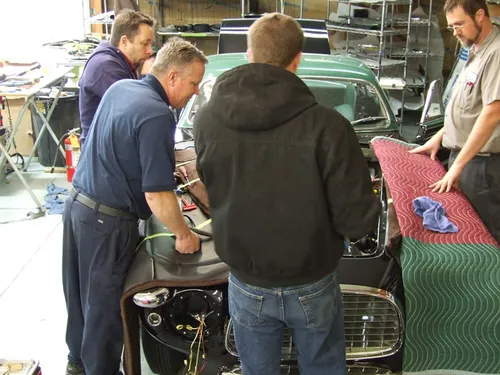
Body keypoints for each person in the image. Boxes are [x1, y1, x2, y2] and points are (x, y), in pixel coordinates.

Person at [194, 13, 381, 375]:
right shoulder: (330, 126)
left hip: (246, 280)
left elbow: (208, 183)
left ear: (248, 54)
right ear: (297, 59)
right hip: (312, 279)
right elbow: (355, 220)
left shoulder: (207, 118)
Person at [62, 37, 207, 375]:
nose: (196, 91)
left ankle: (77, 364)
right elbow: (157, 196)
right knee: (106, 312)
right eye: (193, 82)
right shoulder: (157, 115)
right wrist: (183, 235)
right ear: (172, 77)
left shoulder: (122, 89)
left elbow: (119, 147)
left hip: (77, 208)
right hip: (108, 224)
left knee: (80, 301)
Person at [410, 0, 500, 244]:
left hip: (482, 166)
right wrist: (440, 137)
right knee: (466, 234)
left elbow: (492, 112)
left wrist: (459, 166)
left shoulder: (497, 53)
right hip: (466, 158)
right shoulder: (475, 50)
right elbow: (467, 107)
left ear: (480, 15)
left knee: (486, 238)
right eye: (451, 27)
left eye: (459, 24)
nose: (455, 32)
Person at [78, 9, 155, 146]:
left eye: (151, 44)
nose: (150, 51)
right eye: (144, 43)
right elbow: (138, 111)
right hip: (100, 155)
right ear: (124, 41)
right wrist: (148, 78)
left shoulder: (121, 61)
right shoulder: (106, 68)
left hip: (112, 146)